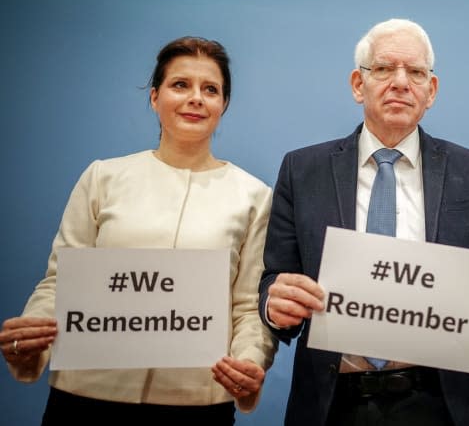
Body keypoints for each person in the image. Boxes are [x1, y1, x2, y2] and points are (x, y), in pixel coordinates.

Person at [259, 18, 469, 426]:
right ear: (357, 84)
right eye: (383, 69)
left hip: (444, 402)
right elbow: (276, 277)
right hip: (333, 404)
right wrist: (274, 305)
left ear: (431, 91)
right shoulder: (302, 169)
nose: (401, 82)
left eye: (416, 72)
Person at [0, 36, 276, 424]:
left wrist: (248, 362)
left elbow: (247, 307)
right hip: (83, 400)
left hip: (196, 407)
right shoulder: (103, 177)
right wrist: (28, 339)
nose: (196, 98)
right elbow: (60, 282)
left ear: (223, 105)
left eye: (210, 89)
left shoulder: (255, 196)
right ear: (154, 97)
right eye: (180, 84)